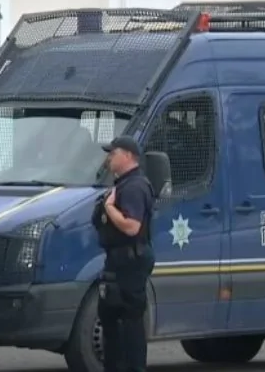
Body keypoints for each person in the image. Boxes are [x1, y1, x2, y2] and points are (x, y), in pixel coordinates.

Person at [93, 136, 156, 372]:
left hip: (130, 261)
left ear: (128, 156)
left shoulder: (135, 187)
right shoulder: (122, 185)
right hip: (118, 260)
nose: (109, 157)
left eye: (113, 152)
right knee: (110, 317)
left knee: (129, 322)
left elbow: (132, 227)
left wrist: (109, 208)